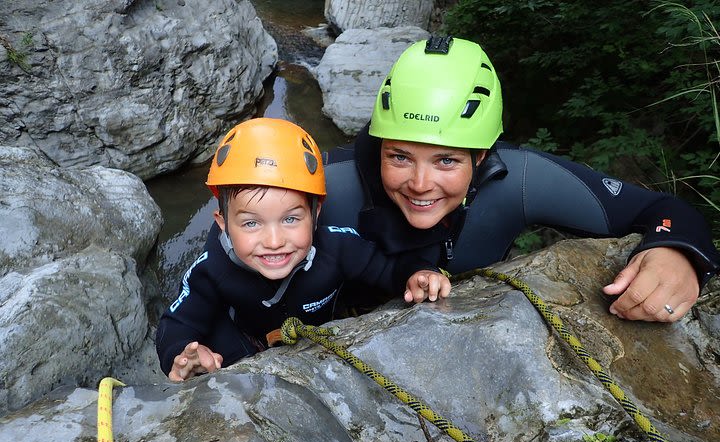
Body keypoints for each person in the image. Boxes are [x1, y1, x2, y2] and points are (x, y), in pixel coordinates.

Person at [319, 35, 720, 323]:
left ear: (481, 155)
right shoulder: (329, 182)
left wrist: (678, 252)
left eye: (446, 161)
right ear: (380, 143)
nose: (421, 183)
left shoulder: (517, 179)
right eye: (400, 157)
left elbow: (660, 209)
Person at [156, 118, 451, 381]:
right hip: (246, 343)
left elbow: (387, 267)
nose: (273, 241)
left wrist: (418, 273)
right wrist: (183, 355)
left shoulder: (337, 247)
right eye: (250, 224)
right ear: (223, 224)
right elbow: (177, 322)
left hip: (318, 340)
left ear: (316, 214)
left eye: (290, 219)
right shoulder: (212, 268)